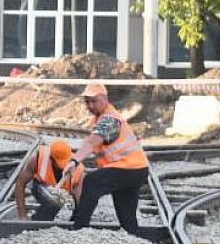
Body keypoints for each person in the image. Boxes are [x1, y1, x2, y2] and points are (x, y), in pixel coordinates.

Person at [58, 82, 151, 235]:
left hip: (127, 169)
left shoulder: (110, 120)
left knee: (91, 182)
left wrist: (74, 161)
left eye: (94, 101)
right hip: (136, 170)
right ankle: (134, 236)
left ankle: (79, 228)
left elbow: (92, 142)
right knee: (127, 219)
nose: (90, 105)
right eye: (87, 101)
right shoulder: (102, 118)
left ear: (105, 99)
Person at [13, 140, 85, 221]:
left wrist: (77, 219)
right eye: (60, 163)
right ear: (51, 158)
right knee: (53, 202)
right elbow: (20, 183)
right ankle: (37, 222)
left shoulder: (78, 168)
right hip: (40, 187)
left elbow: (79, 196)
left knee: (68, 203)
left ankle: (41, 219)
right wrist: (22, 214)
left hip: (62, 193)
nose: (63, 167)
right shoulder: (38, 159)